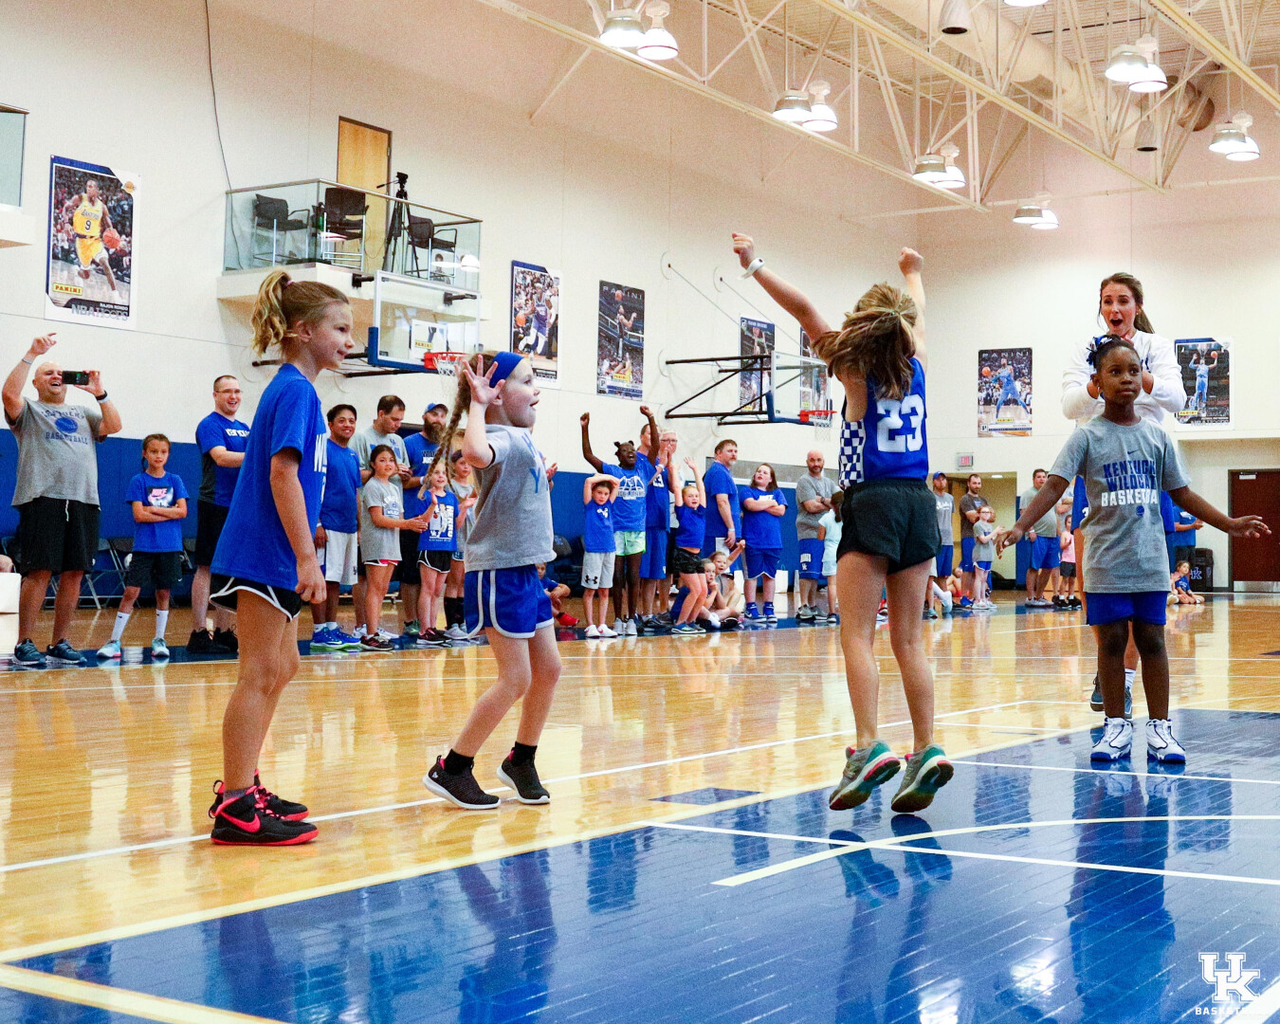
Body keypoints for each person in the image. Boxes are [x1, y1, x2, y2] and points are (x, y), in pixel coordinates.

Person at [735, 232, 952, 814]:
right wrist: (913, 269)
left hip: (871, 500)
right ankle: (926, 747)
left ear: (863, 326)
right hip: (918, 501)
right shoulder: (920, 364)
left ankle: (869, 745)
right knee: (910, 640)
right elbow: (919, 313)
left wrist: (756, 264)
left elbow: (804, 310)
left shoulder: (855, 371)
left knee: (856, 632)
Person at [1002, 337, 1267, 764]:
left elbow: (1182, 494)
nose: (1126, 379)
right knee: (1109, 645)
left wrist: (1229, 523)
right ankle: (1115, 728)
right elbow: (1054, 485)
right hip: (1105, 562)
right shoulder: (1086, 437)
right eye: (1115, 372)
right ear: (1098, 382)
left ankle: (1160, 730)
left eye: (1133, 371)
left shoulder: (1158, 437)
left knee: (1152, 642)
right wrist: (1020, 525)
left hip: (1148, 562)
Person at [206, 270, 354, 845]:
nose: (348, 339)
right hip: (264, 552)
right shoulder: (294, 389)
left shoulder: (303, 392)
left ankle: (247, 785)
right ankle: (236, 802)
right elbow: (280, 473)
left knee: (284, 666)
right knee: (261, 671)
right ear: (301, 330)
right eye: (339, 327)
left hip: (274, 551)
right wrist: (305, 558)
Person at [422, 351, 562, 809]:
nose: (537, 388)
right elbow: (475, 452)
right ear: (497, 392)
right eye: (527, 380)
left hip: (524, 569)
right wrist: (478, 406)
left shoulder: (521, 440)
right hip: (499, 572)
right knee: (515, 677)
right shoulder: (500, 435)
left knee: (549, 669)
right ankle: (453, 768)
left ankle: (521, 759)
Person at [1062, 273, 1186, 715]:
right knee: (1091, 579)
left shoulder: (1158, 344)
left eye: (1123, 301)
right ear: (1101, 307)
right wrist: (1100, 380)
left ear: (1137, 305)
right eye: (1108, 301)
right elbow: (1069, 405)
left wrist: (1134, 374)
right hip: (1098, 468)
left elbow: (1176, 397)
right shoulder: (1085, 348)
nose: (1115, 309)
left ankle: (1127, 677)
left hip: (1143, 467)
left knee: (1143, 583)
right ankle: (1106, 660)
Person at [3, 334, 122, 668]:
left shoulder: (84, 412)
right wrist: (31, 355)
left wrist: (100, 393)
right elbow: (9, 394)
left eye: (60, 373)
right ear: (37, 383)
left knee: (74, 574)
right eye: (47, 373)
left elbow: (114, 425)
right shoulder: (30, 410)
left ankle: (59, 642)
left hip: (84, 500)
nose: (55, 377)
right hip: (43, 498)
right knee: (38, 571)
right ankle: (25, 642)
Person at [97, 434, 187, 661]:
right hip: (145, 547)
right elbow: (139, 515)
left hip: (169, 547)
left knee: (163, 592)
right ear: (145, 454)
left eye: (163, 452)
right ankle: (114, 640)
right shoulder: (138, 481)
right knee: (131, 592)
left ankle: (159, 639)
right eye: (154, 451)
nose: (159, 456)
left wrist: (153, 509)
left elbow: (183, 512)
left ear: (168, 454)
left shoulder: (175, 480)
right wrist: (169, 512)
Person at [580, 409, 654, 636]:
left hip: (637, 531)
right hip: (615, 532)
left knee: (634, 577)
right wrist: (584, 428)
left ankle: (632, 618)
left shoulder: (644, 468)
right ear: (619, 457)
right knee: (617, 578)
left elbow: (656, 448)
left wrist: (650, 418)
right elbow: (588, 455)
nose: (630, 453)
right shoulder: (612, 471)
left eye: (632, 450)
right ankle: (618, 619)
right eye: (625, 451)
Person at [191, 375, 250, 655]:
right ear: (215, 395)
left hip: (240, 506)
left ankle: (225, 630)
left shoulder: (246, 429)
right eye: (227, 391)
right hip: (215, 503)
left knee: (232, 568)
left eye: (237, 391)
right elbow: (222, 457)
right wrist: (259, 456)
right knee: (207, 566)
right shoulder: (209, 425)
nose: (233, 396)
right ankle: (199, 631)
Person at [350, 395, 411, 638]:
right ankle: (362, 625)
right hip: (370, 511)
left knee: (382, 583)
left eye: (401, 420)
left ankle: (373, 625)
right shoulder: (362, 438)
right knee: (365, 576)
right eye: (394, 419)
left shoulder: (397, 440)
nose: (397, 424)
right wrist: (384, 469)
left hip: (392, 510)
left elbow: (403, 470)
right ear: (381, 414)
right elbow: (355, 474)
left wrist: (402, 473)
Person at [360, 445, 429, 651]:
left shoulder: (393, 487)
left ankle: (374, 630)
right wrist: (407, 524)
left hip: (391, 545)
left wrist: (413, 522)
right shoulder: (372, 486)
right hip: (377, 544)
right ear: (373, 464)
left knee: (382, 590)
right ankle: (369, 634)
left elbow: (399, 519)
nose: (388, 464)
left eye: (391, 460)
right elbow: (378, 518)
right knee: (375, 588)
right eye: (382, 460)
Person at [309, 404, 363, 651]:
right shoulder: (322, 451)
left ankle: (331, 628)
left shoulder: (353, 456)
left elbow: (355, 493)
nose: (348, 425)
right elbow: (312, 489)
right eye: (342, 420)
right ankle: (319, 631)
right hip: (328, 526)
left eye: (352, 420)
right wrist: (317, 523)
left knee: (337, 583)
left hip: (348, 528)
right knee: (323, 580)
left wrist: (359, 526)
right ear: (330, 425)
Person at [402, 402, 450, 637]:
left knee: (433, 583)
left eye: (443, 415)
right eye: (434, 414)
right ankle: (411, 620)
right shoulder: (409, 443)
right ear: (424, 416)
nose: (438, 419)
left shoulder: (444, 446)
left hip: (439, 525)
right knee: (411, 574)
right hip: (413, 516)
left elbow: (446, 481)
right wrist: (425, 479)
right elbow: (401, 481)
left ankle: (429, 624)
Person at [416, 465, 464, 647]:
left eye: (444, 473)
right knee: (427, 590)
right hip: (430, 547)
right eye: (436, 472)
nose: (441, 476)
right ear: (430, 476)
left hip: (447, 548)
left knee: (437, 591)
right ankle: (423, 630)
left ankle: (432, 628)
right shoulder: (425, 496)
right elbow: (422, 522)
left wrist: (465, 507)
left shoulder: (451, 498)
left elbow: (456, 524)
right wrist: (433, 505)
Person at [636, 417, 676, 631]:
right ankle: (630, 613)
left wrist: (669, 461)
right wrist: (659, 467)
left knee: (654, 572)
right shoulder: (636, 459)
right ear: (642, 436)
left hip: (661, 524)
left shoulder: (663, 463)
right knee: (636, 572)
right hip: (642, 523)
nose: (655, 438)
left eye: (658, 436)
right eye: (651, 434)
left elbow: (673, 488)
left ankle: (648, 613)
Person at [740, 463, 788, 625]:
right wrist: (771, 504)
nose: (760, 473)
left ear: (770, 478)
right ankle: (750, 607)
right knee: (752, 575)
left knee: (769, 576)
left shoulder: (778, 493)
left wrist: (762, 505)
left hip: (773, 541)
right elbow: (750, 505)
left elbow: (781, 511)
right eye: (758, 471)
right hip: (753, 540)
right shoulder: (747, 491)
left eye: (764, 472)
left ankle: (769, 607)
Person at [794, 450, 836, 623]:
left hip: (826, 532)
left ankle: (812, 605)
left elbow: (839, 501)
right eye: (812, 460)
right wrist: (829, 503)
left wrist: (823, 500)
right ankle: (803, 604)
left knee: (817, 571)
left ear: (823, 461)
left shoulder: (829, 482)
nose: (816, 463)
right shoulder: (804, 481)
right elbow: (810, 507)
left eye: (819, 460)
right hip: (809, 531)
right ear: (807, 462)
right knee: (808, 570)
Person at [60, 178, 119, 295]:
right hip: (81, 242)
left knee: (105, 264)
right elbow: (66, 208)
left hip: (95, 241)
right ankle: (79, 271)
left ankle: (115, 295)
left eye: (91, 187)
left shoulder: (102, 207)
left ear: (97, 190)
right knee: (86, 275)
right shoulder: (81, 199)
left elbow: (109, 226)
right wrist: (66, 224)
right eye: (87, 186)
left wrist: (113, 235)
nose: (88, 189)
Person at [581, 472, 620, 639]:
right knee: (591, 589)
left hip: (609, 550)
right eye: (599, 493)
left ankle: (602, 625)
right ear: (593, 493)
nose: (602, 496)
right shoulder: (589, 505)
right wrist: (603, 477)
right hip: (594, 551)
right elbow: (589, 481)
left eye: (605, 493)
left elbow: (617, 484)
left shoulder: (609, 505)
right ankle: (590, 625)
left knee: (605, 590)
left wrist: (611, 483)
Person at [672, 458, 708, 635]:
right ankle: (679, 624)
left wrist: (695, 469)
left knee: (703, 591)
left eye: (696, 496)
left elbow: (701, 489)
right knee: (694, 590)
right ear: (684, 499)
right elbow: (677, 489)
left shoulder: (700, 512)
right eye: (690, 496)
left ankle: (691, 622)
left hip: (696, 556)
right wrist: (675, 470)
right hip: (683, 555)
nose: (694, 498)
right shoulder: (682, 511)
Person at [444, 450, 478, 640]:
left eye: (468, 464)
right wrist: (464, 505)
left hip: (470, 541)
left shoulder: (474, 486)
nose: (466, 467)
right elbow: (454, 519)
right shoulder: (451, 487)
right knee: (454, 582)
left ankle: (462, 621)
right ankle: (451, 624)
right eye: (462, 463)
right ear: (454, 465)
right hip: (457, 539)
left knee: (464, 583)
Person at [1020, 469, 1061, 608]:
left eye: (1044, 477)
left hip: (1052, 536)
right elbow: (1024, 513)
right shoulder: (1028, 494)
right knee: (1034, 567)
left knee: (1049, 567)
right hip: (1038, 535)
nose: (1042, 479)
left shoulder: (1050, 494)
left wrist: (1058, 532)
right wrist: (1030, 530)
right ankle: (1031, 597)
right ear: (1034, 479)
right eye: (1039, 477)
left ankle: (1039, 596)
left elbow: (1054, 514)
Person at [702, 439, 742, 569]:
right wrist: (731, 528)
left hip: (720, 532)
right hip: (718, 532)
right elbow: (722, 501)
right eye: (729, 451)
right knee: (719, 571)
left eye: (735, 451)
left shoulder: (723, 472)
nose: (733, 454)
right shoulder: (719, 472)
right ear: (718, 454)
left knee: (723, 571)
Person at [817, 489, 844, 624]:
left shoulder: (826, 518)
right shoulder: (848, 517)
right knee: (845, 584)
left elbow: (820, 537)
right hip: (844, 553)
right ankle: (846, 612)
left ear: (831, 504)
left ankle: (832, 613)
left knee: (832, 584)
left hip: (830, 553)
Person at [929, 472, 954, 618]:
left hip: (948, 539)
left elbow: (949, 518)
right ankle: (930, 602)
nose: (942, 481)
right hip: (935, 539)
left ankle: (946, 602)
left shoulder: (950, 498)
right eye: (938, 479)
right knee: (932, 574)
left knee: (944, 574)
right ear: (934, 482)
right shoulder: (931, 497)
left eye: (944, 479)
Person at [957, 473, 983, 608]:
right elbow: (972, 518)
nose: (977, 486)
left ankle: (974, 597)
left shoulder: (983, 500)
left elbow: (992, 517)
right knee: (967, 568)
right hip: (968, 536)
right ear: (969, 484)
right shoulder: (965, 500)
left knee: (977, 569)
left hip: (981, 538)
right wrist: (984, 514)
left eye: (979, 483)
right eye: (974, 483)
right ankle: (963, 597)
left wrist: (982, 515)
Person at [972, 505, 998, 611]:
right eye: (983, 512)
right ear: (979, 514)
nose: (986, 514)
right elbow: (983, 540)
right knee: (979, 577)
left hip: (988, 554)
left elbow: (992, 541)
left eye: (988, 512)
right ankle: (977, 600)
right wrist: (995, 532)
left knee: (985, 578)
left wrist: (999, 536)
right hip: (980, 554)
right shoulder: (977, 526)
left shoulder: (989, 526)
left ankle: (983, 598)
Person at [1057, 527, 1081, 609]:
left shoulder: (1076, 534)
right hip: (1066, 560)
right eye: (1068, 522)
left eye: (1071, 522)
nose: (1070, 524)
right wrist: (1068, 543)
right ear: (1065, 524)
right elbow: (1061, 546)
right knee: (1065, 579)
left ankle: (1071, 597)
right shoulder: (1064, 534)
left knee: (1073, 580)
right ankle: (1061, 597)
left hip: (1074, 560)